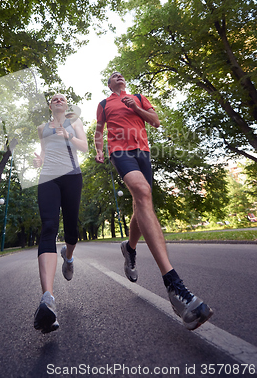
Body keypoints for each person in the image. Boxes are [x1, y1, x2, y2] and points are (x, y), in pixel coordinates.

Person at [94, 72, 213, 331]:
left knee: (142, 202)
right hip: (120, 151)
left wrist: (136, 107)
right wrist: (99, 150)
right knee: (142, 193)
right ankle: (174, 285)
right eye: (113, 75)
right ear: (109, 84)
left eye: (121, 74)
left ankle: (130, 248)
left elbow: (156, 122)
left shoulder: (138, 97)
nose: (119, 75)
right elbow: (98, 130)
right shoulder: (103, 104)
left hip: (143, 151)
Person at [33, 93, 88, 334]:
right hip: (48, 178)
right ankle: (48, 299)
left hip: (72, 177)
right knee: (48, 227)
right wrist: (39, 160)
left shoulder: (74, 122)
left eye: (62, 98)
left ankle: (69, 255)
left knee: (72, 231)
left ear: (66, 106)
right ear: (50, 105)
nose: (58, 99)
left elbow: (84, 147)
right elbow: (44, 152)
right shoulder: (42, 127)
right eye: (54, 98)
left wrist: (69, 136)